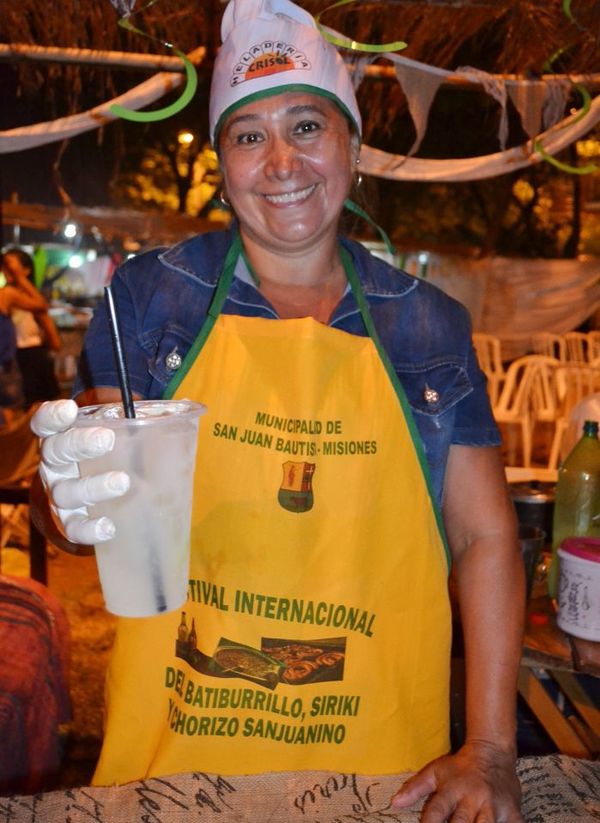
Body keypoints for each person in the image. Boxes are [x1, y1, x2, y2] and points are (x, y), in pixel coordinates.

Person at [32, 0, 525, 819]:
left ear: (353, 147)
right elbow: (96, 496)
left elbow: (485, 535)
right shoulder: (153, 298)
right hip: (176, 765)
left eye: (306, 126)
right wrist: (64, 501)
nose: (281, 163)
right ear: (224, 162)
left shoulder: (427, 323)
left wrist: (492, 748)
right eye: (249, 135)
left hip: (382, 775)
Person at [2, 248, 61, 406]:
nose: (5, 268)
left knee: (36, 411)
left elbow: (55, 343)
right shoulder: (6, 295)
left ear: (26, 270)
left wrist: (20, 277)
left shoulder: (31, 303)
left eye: (10, 264)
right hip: (11, 361)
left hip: (32, 360)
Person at [1, 259, 49, 423]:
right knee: (10, 413)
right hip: (6, 364)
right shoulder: (5, 294)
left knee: (12, 412)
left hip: (9, 362)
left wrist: (19, 277)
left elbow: (41, 305)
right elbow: (41, 304)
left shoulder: (6, 294)